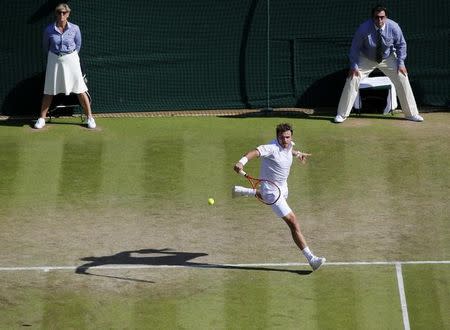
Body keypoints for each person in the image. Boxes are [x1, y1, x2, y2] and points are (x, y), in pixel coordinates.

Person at [232, 123, 326, 271]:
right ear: (276, 137)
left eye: (288, 137)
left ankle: (244, 191)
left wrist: (297, 154)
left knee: (270, 199)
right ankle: (311, 259)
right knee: (293, 222)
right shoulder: (271, 148)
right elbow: (254, 152)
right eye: (282, 137)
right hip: (272, 191)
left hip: (283, 187)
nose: (285, 140)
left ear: (291, 136)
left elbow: (288, 151)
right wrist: (241, 162)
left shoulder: (288, 145)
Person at [334, 4, 423, 123]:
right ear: (372, 18)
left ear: (386, 17)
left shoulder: (394, 27)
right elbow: (355, 48)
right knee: (352, 78)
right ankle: (342, 114)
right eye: (376, 17)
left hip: (388, 58)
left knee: (402, 77)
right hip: (366, 58)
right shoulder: (363, 28)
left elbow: (401, 45)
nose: (379, 20)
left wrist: (401, 63)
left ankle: (411, 114)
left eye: (382, 17)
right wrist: (354, 66)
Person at [34, 3, 96, 129]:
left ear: (68, 14)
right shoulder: (48, 29)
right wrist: (56, 56)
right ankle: (41, 119)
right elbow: (46, 47)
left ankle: (90, 117)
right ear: (55, 14)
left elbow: (78, 45)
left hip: (71, 59)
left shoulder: (75, 29)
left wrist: (69, 57)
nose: (61, 15)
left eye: (64, 13)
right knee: (49, 90)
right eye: (59, 12)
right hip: (54, 59)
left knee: (80, 89)